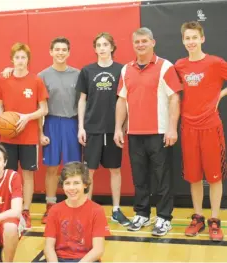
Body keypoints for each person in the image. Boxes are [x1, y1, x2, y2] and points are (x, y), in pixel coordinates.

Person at [114, 27, 182, 236]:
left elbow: (174, 98)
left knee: (162, 178)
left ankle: (163, 218)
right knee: (140, 178)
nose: (141, 45)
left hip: (160, 132)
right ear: (133, 45)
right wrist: (118, 128)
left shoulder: (165, 67)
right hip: (134, 133)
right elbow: (122, 100)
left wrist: (172, 128)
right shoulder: (126, 70)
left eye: (144, 41)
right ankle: (142, 213)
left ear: (153, 42)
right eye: (137, 42)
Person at [175, 21, 227, 241]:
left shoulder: (215, 63)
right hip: (188, 127)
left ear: (202, 39)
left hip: (210, 127)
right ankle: (198, 217)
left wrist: (220, 96)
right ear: (183, 40)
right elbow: (172, 94)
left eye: (194, 37)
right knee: (194, 177)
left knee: (214, 177)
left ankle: (215, 220)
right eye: (187, 38)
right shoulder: (179, 65)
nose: (191, 42)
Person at [76, 32, 130, 226]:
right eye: (98, 45)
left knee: (115, 169)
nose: (102, 48)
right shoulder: (87, 71)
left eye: (105, 44)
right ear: (95, 48)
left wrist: (123, 126)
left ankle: (116, 210)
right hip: (92, 128)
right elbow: (82, 100)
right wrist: (81, 127)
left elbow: (126, 101)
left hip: (113, 129)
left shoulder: (122, 70)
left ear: (112, 47)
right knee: (89, 171)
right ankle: (87, 209)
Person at [0, 42, 49, 229]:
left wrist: (27, 117)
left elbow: (44, 109)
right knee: (8, 175)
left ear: (28, 60)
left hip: (29, 136)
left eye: (23, 57)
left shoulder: (36, 81)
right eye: (17, 57)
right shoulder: (3, 79)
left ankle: (25, 211)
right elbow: (0, 105)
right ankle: (10, 210)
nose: (20, 61)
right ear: (12, 60)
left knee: (27, 175)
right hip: (8, 136)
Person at [36, 37, 82, 224]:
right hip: (51, 123)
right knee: (52, 167)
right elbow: (39, 106)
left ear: (69, 52)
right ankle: (50, 205)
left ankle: (75, 204)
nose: (61, 53)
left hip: (72, 122)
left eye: (64, 50)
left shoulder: (78, 74)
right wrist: (40, 132)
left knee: (73, 168)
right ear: (51, 52)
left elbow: (82, 102)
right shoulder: (42, 76)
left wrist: (81, 128)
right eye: (57, 49)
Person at [44, 161, 109, 262]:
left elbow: (98, 249)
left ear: (85, 184)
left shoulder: (97, 210)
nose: (71, 188)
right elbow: (49, 247)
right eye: (67, 183)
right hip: (59, 259)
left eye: (76, 183)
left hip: (86, 260)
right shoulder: (55, 210)